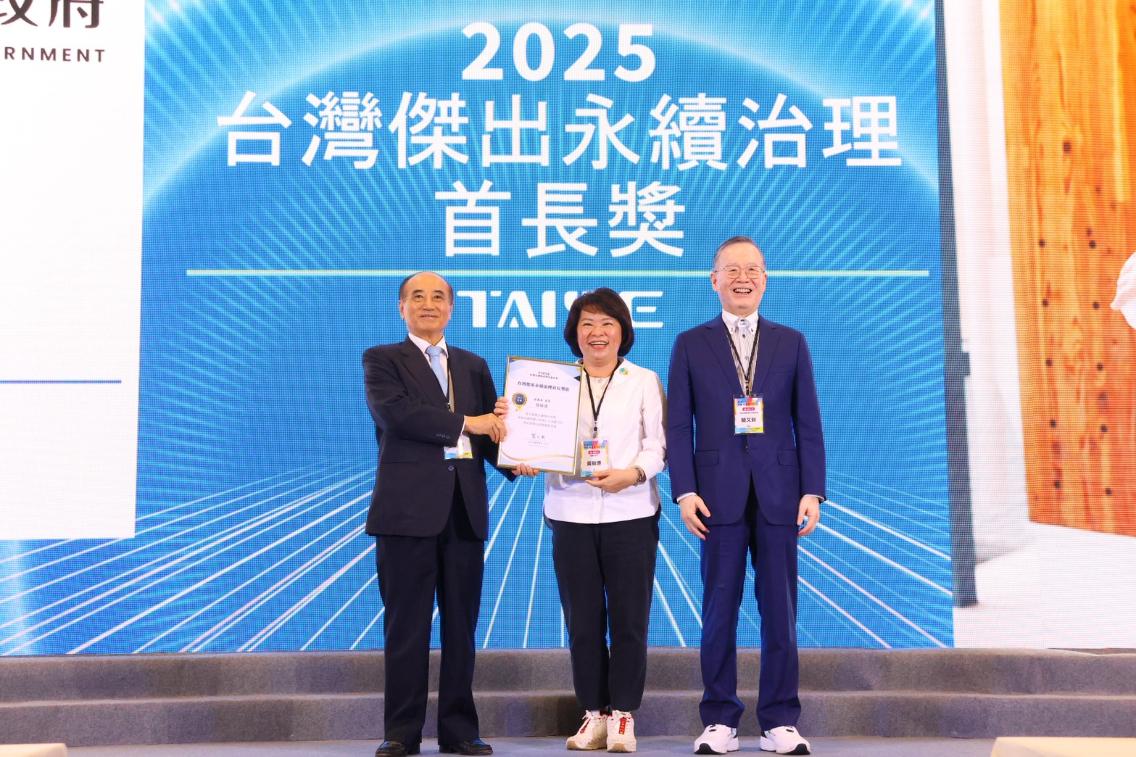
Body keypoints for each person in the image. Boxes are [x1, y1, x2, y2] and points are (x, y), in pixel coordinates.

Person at [667, 237, 825, 756]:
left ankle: (780, 720)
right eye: (731, 270)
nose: (743, 278)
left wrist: (812, 490)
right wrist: (684, 490)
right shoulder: (691, 343)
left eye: (752, 270)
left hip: (781, 494)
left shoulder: (791, 342)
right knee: (719, 610)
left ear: (765, 279)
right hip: (716, 496)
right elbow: (678, 425)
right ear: (713, 280)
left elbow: (808, 421)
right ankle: (720, 720)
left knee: (780, 610)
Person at [498, 288, 666, 754]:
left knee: (630, 619)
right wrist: (519, 450)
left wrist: (633, 474)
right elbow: (527, 438)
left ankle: (623, 715)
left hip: (631, 512)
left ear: (623, 332)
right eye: (587, 324)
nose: (597, 333)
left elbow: (657, 446)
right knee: (583, 622)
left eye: (607, 323)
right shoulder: (550, 383)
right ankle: (594, 712)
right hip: (569, 513)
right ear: (574, 333)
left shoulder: (644, 380)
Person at [363, 271, 510, 757]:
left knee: (461, 628)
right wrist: (470, 422)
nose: (429, 304)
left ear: (451, 308)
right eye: (418, 296)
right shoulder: (383, 360)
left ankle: (459, 729)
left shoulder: (472, 365)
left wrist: (519, 455)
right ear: (401, 307)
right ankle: (401, 732)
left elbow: (490, 435)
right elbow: (398, 416)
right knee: (406, 627)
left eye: (439, 297)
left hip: (463, 512)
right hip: (406, 514)